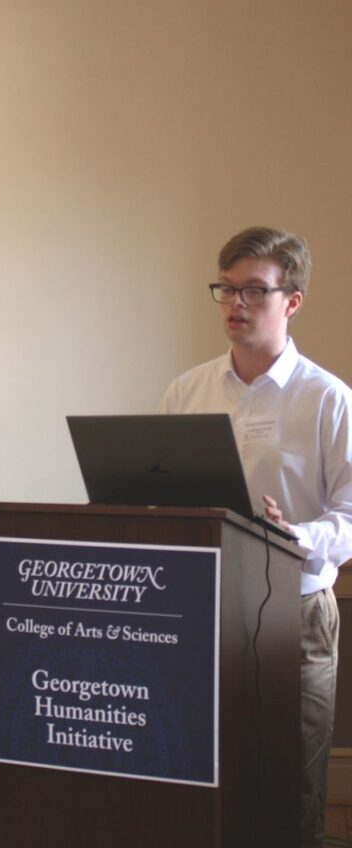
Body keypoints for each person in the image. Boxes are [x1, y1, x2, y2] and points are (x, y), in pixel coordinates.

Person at [160, 226, 352, 848]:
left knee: (291, 777)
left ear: (291, 300)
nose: (235, 305)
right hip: (202, 612)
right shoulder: (187, 392)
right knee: (203, 765)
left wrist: (295, 534)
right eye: (226, 289)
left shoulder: (329, 401)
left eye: (253, 291)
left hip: (293, 617)